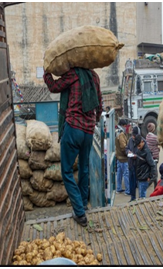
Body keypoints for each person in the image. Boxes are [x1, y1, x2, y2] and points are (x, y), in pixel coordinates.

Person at [44, 67, 102, 227]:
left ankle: (79, 212)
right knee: (84, 168)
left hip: (73, 129)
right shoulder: (94, 76)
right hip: (89, 131)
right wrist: (93, 120)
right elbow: (100, 104)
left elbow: (54, 87)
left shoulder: (72, 74)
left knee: (67, 171)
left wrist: (47, 73)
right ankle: (83, 204)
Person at [133, 134, 155, 199]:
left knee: (142, 197)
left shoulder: (147, 152)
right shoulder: (140, 149)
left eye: (139, 146)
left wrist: (150, 177)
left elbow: (152, 165)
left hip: (144, 178)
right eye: (137, 146)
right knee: (141, 195)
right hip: (140, 176)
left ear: (142, 141)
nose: (138, 148)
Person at [115, 119, 130, 195]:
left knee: (119, 174)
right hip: (123, 158)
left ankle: (118, 188)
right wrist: (128, 153)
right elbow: (123, 147)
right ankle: (128, 191)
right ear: (123, 126)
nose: (126, 127)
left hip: (119, 157)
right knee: (126, 174)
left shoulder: (117, 132)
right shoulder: (121, 134)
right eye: (125, 126)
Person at [126, 127, 140, 202]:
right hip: (131, 164)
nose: (133, 137)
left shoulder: (142, 141)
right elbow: (126, 148)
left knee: (138, 183)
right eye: (132, 135)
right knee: (131, 182)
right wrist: (128, 151)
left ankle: (141, 198)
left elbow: (144, 154)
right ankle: (132, 197)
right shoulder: (130, 140)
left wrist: (136, 156)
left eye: (134, 135)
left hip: (137, 165)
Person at [146, 123, 160, 189]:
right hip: (154, 158)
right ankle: (147, 186)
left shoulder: (147, 136)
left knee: (154, 173)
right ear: (153, 129)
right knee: (154, 174)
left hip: (150, 157)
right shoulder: (154, 137)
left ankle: (156, 186)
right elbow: (160, 142)